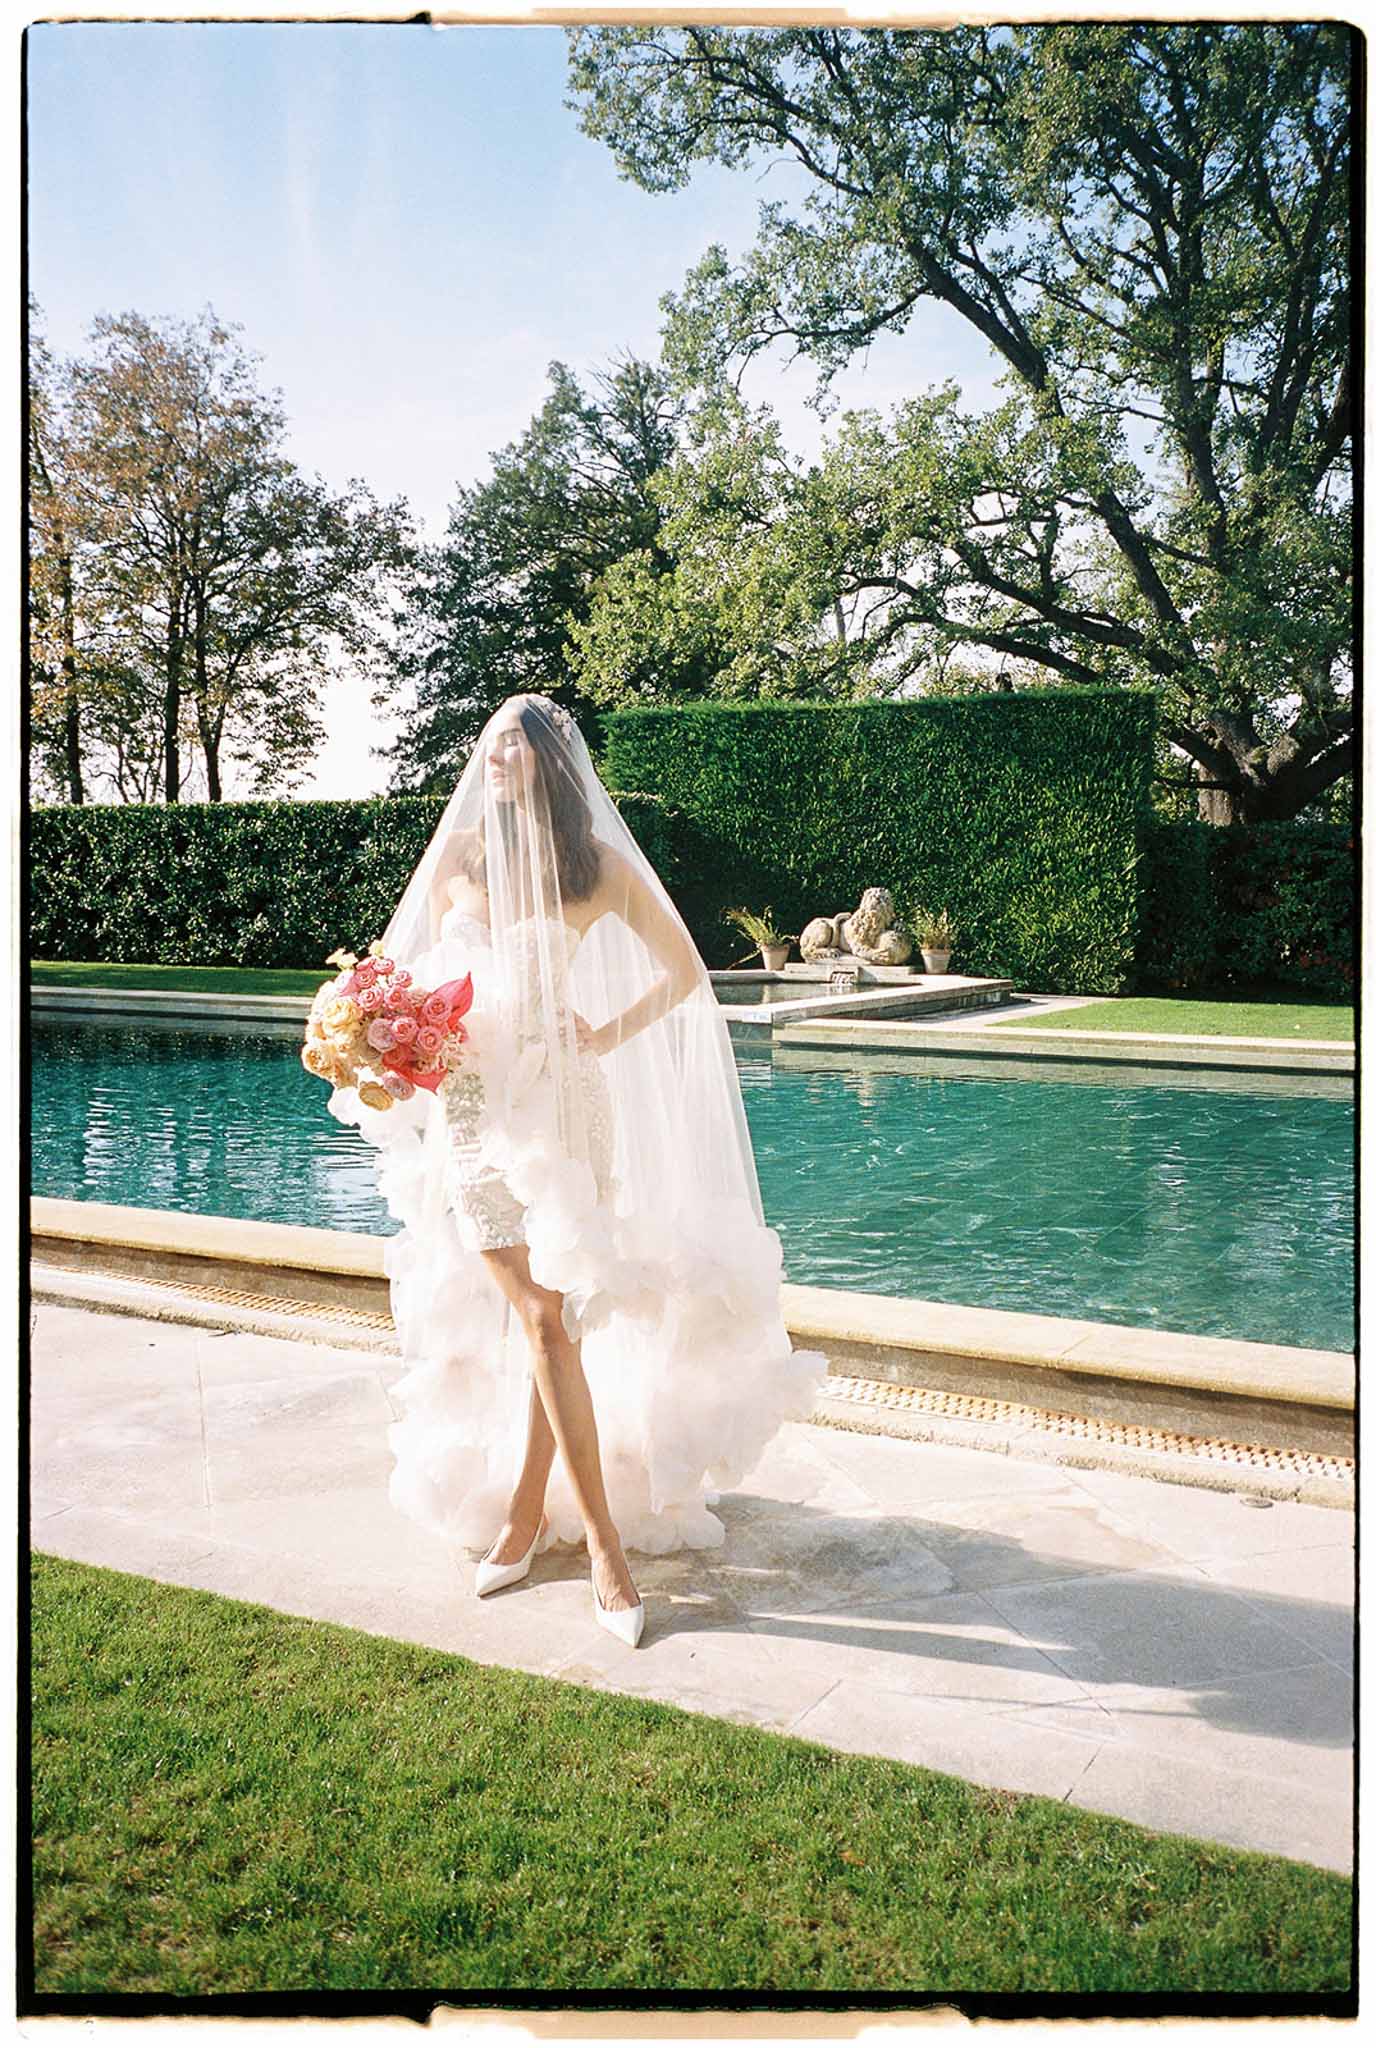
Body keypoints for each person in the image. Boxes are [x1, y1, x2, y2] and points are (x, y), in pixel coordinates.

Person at [329, 692, 826, 1648]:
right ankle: (570, 1532)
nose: (499, 761)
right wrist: (387, 1039)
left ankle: (581, 1538)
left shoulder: (591, 869)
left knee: (554, 1320)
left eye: (516, 748)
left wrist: (604, 1034)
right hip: (476, 1116)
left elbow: (683, 971)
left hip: (564, 1111)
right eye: (494, 748)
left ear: (552, 763)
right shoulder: (462, 862)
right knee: (542, 1318)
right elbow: (409, 981)